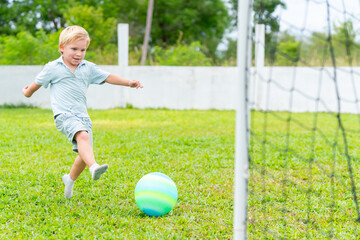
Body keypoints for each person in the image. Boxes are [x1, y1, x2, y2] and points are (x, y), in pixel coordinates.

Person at [22, 25, 143, 199]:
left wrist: (129, 83)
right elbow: (36, 84)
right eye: (74, 49)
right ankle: (94, 167)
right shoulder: (53, 67)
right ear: (62, 48)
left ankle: (69, 180)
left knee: (83, 153)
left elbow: (108, 77)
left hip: (83, 117)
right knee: (84, 139)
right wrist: (27, 92)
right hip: (64, 116)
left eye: (83, 49)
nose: (78, 54)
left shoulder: (87, 68)